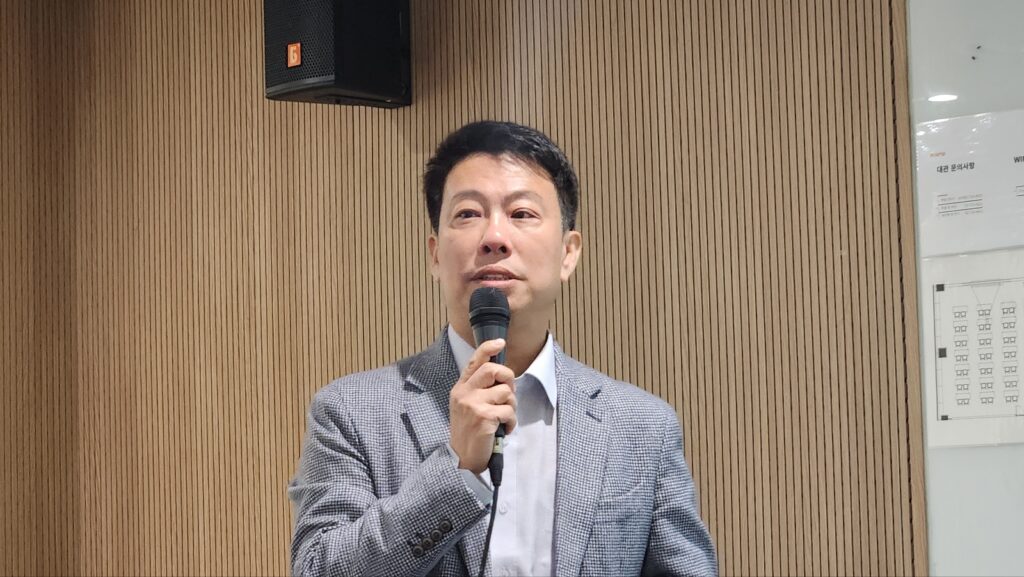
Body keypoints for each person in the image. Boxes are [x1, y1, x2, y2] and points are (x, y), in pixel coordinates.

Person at [288, 121, 717, 577]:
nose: (494, 237)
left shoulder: (642, 426)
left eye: (522, 213)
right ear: (435, 254)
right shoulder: (351, 412)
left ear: (568, 253)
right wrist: (457, 470)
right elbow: (316, 569)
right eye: (468, 214)